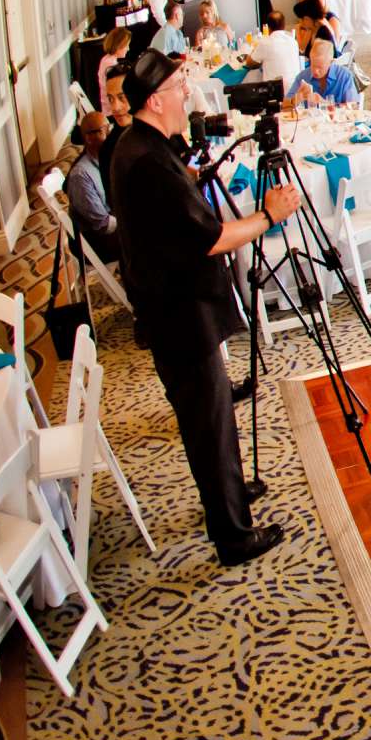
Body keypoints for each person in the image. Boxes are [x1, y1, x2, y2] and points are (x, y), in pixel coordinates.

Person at [110, 51, 297, 565]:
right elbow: (209, 238)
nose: (187, 94)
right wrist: (268, 216)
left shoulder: (139, 145)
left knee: (206, 419)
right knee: (210, 424)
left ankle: (228, 499)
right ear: (155, 100)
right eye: (178, 87)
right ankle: (234, 536)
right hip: (180, 314)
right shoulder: (147, 161)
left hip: (168, 306)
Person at [66, 112, 121, 265]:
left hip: (107, 226)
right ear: (89, 138)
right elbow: (103, 225)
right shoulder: (81, 175)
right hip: (93, 242)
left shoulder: (105, 159)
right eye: (105, 130)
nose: (111, 133)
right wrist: (130, 223)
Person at [283, 37, 356, 110]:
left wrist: (324, 103)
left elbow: (354, 107)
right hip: (310, 121)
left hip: (337, 121)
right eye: (313, 65)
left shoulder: (344, 76)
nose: (315, 71)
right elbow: (284, 106)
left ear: (330, 63)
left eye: (320, 67)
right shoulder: (303, 77)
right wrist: (297, 98)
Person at [255, 7, 300, 90]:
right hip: (294, 88)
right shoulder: (293, 41)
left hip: (274, 92)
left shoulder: (265, 43)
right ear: (284, 25)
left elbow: (250, 62)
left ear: (268, 27)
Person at [96, 25, 133, 109]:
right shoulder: (111, 64)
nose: (128, 49)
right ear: (118, 45)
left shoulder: (105, 58)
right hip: (112, 108)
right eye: (126, 45)